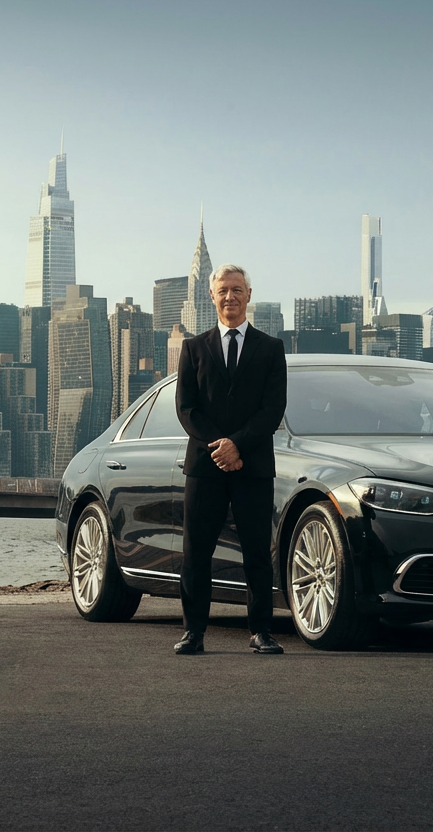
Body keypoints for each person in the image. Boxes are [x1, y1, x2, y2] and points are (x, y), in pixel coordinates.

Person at [173, 263, 288, 655]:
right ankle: (194, 632)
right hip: (206, 467)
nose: (230, 297)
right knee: (197, 551)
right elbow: (186, 409)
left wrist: (238, 446)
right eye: (223, 290)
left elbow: (272, 410)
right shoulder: (193, 348)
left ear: (248, 296)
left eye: (237, 290)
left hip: (252, 466)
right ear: (212, 296)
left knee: (257, 551)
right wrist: (220, 448)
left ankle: (261, 632)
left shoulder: (271, 349)